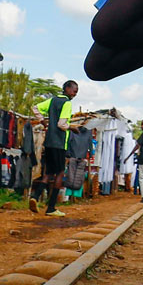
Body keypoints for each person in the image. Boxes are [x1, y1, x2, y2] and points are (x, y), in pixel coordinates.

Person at [32, 80, 82, 216]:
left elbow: (35, 108)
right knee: (60, 173)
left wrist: (42, 120)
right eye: (74, 90)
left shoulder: (52, 101)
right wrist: (72, 128)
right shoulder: (67, 103)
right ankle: (51, 208)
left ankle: (35, 197)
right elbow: (62, 124)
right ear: (66, 89)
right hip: (59, 143)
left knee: (48, 173)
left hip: (48, 141)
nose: (75, 94)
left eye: (76, 91)